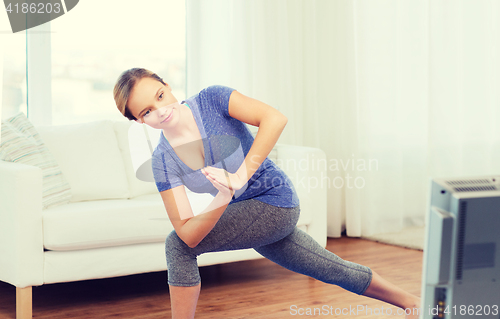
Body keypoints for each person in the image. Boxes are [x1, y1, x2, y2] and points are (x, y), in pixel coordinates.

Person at [113, 68, 421, 319]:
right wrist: (223, 195)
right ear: (140, 120)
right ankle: (415, 304)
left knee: (175, 247)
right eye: (148, 111)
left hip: (274, 201)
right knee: (329, 268)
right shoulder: (163, 161)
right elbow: (188, 232)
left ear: (166, 84)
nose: (161, 111)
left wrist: (239, 177)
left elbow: (275, 118)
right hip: (247, 213)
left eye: (160, 96)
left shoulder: (212, 100)